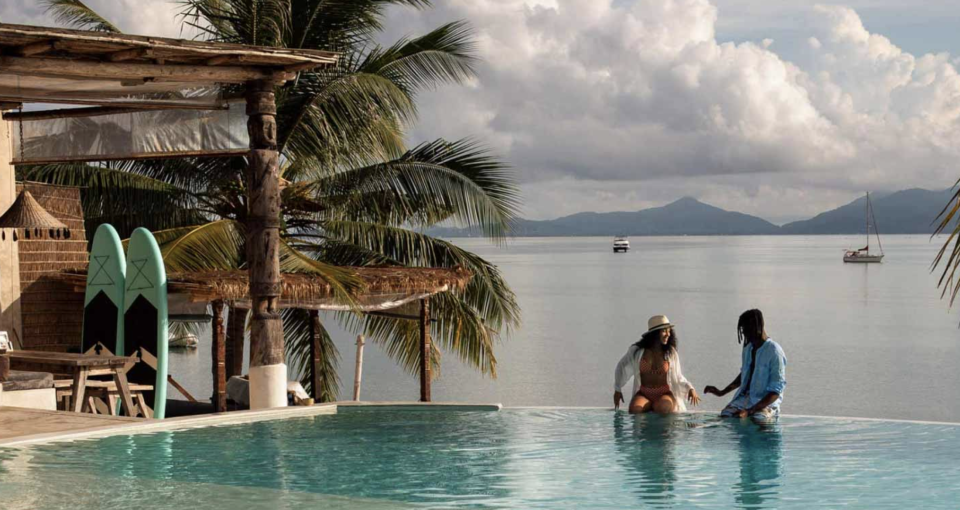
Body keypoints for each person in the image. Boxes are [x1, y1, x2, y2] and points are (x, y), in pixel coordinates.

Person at [704, 309, 787, 418]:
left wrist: (750, 411)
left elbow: (776, 391)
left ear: (757, 326)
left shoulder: (774, 352)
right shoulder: (748, 349)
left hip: (766, 403)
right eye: (743, 329)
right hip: (745, 399)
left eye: (746, 329)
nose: (743, 333)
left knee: (758, 419)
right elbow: (745, 374)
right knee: (726, 415)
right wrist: (721, 392)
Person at [614, 315, 700, 414]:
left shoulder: (670, 353)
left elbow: (678, 376)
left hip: (664, 394)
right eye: (664, 331)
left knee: (662, 408)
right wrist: (617, 389)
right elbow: (622, 366)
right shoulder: (637, 351)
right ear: (654, 334)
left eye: (669, 331)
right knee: (634, 410)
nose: (668, 334)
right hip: (644, 393)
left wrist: (690, 388)